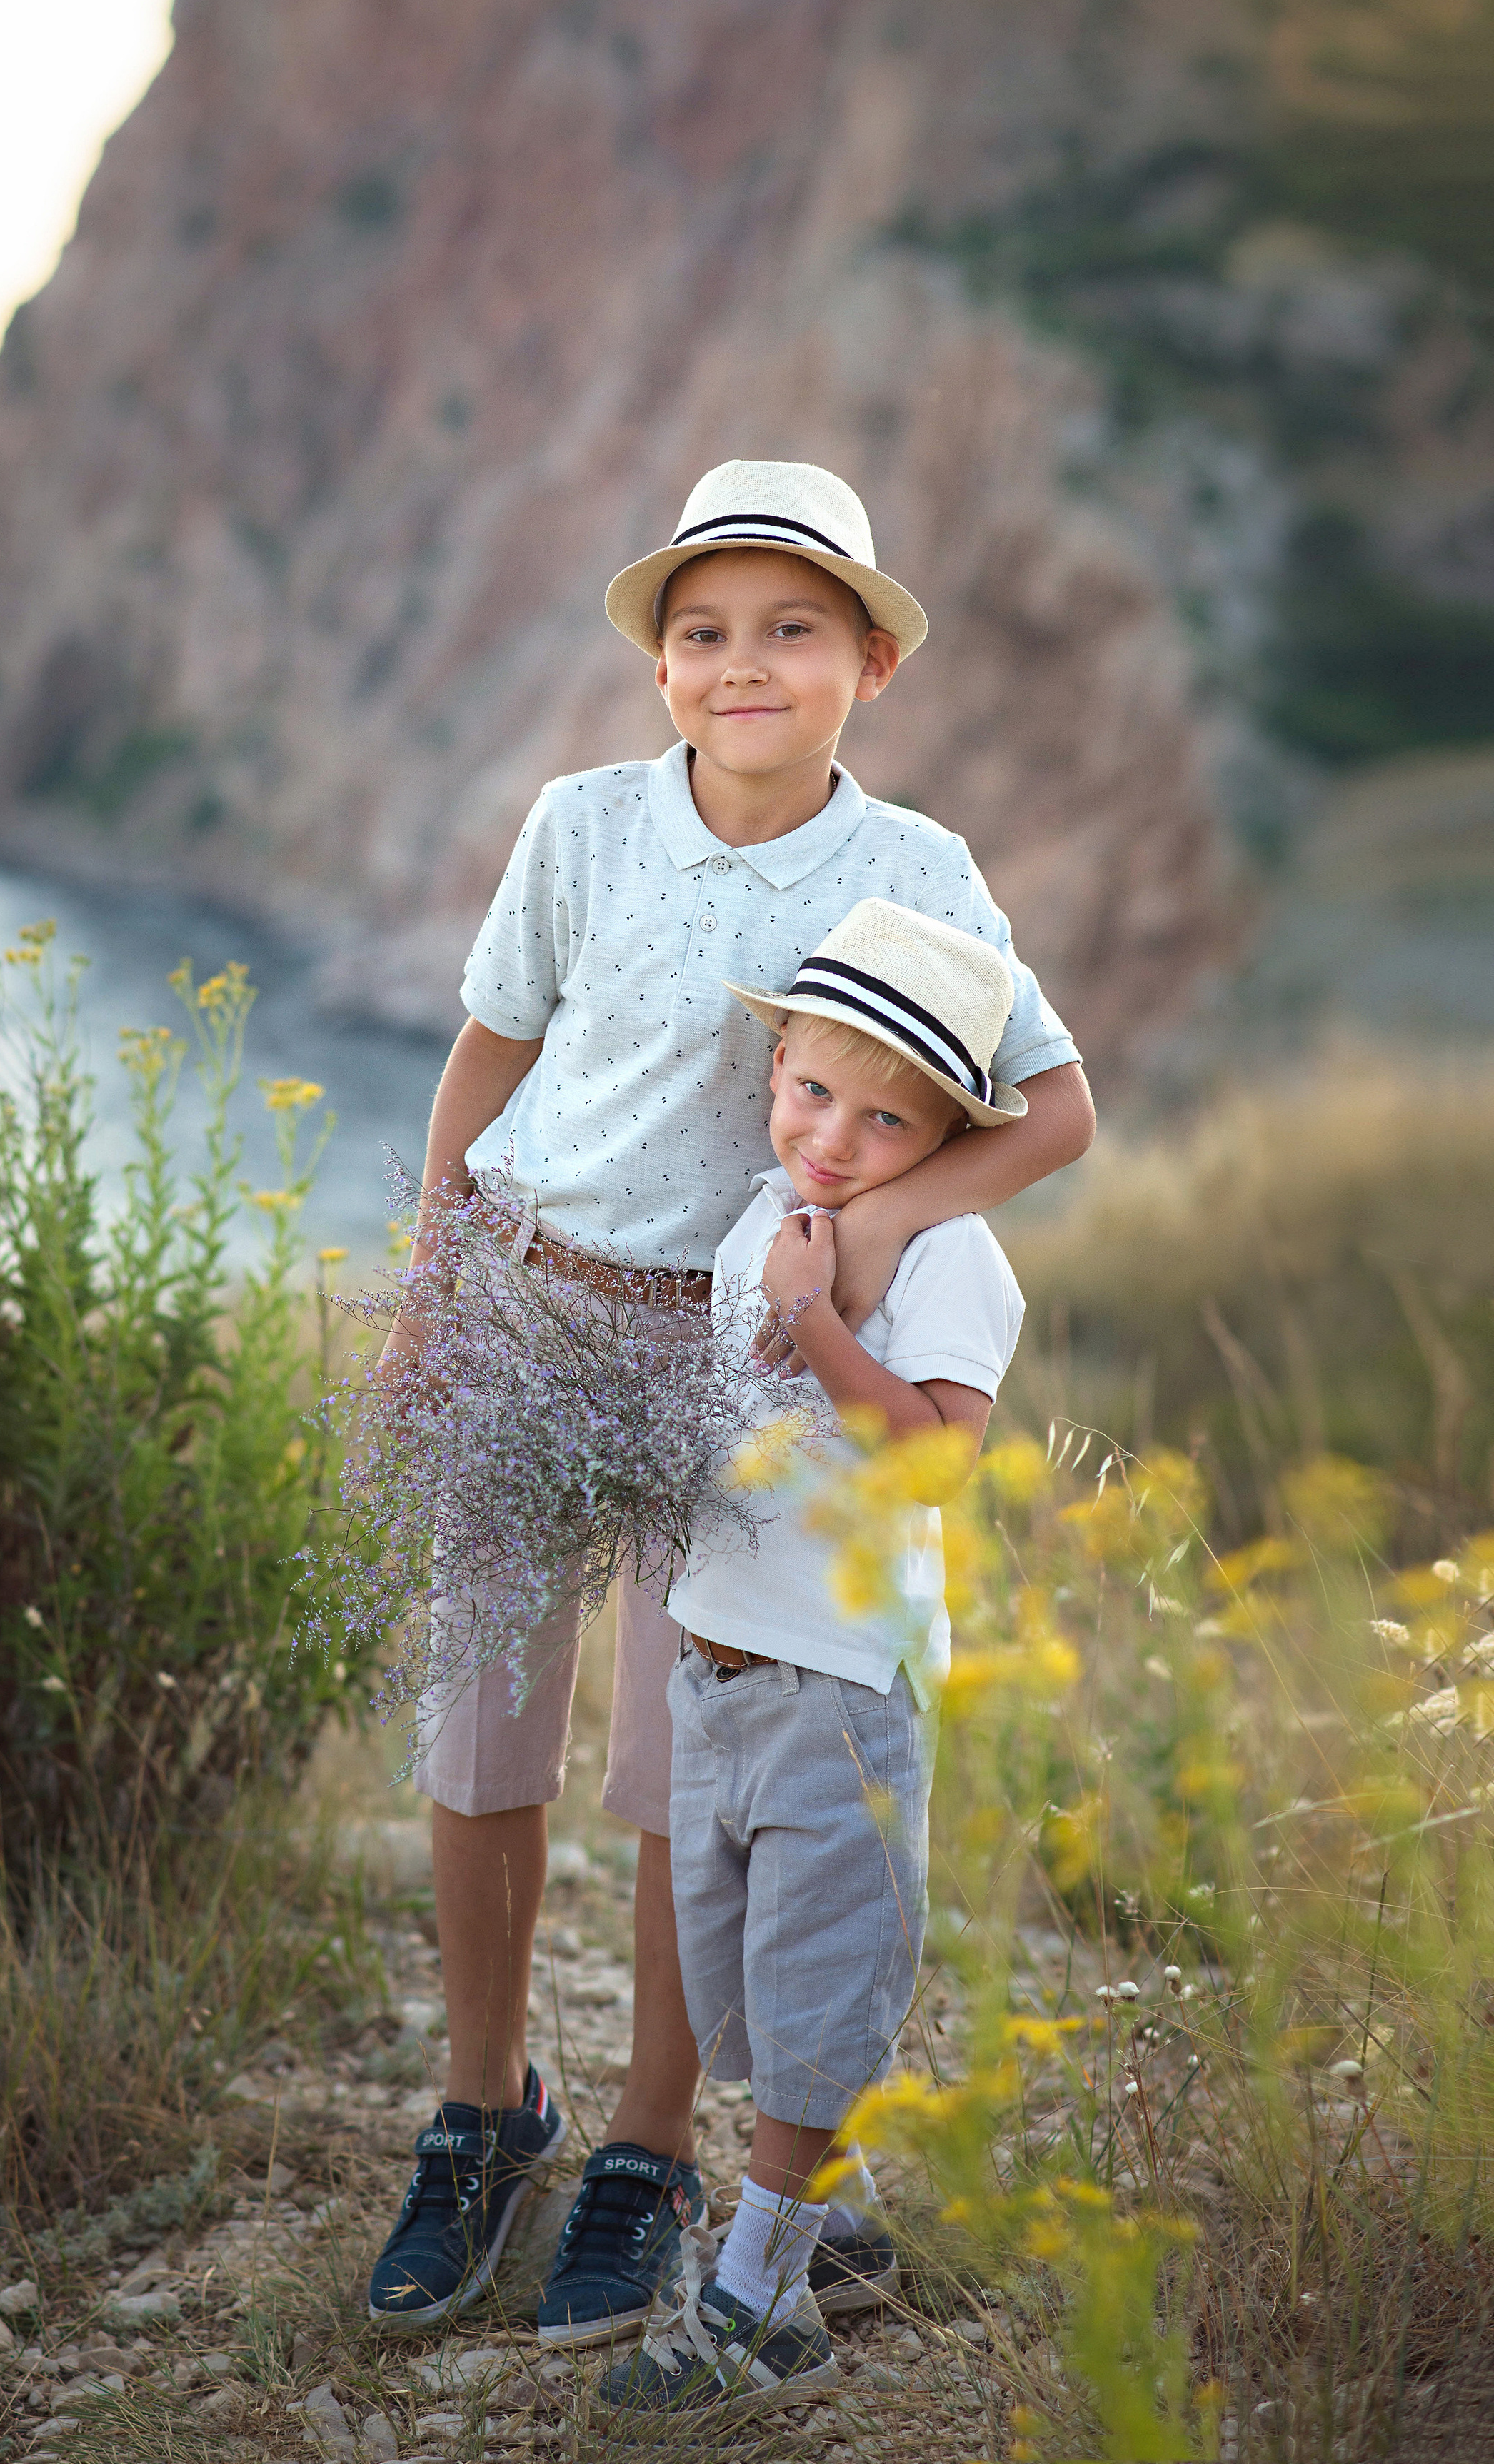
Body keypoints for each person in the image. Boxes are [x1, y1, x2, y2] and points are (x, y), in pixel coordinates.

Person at [364, 460, 1091, 2340]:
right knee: (480, 1739)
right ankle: (480, 2108)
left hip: (729, 1359)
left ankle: (645, 2144)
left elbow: (1058, 1104)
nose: (742, 663)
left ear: (871, 661)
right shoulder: (582, 827)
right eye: (704, 632)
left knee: (685, 1766)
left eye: (790, 630)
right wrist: (426, 1283)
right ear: (661, 665)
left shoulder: (916, 872)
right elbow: (484, 1055)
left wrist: (874, 1232)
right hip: (526, 1302)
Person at [596, 898, 1026, 2424]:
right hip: (714, 1667)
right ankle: (821, 2224)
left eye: (887, 1119)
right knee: (733, 1996)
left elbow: (929, 1466)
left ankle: (761, 2307)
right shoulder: (756, 1221)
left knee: (813, 1984)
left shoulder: (947, 1256)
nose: (835, 1139)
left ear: (943, 1137)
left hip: (835, 1682)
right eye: (810, 1094)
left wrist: (814, 1328)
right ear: (770, 1065)